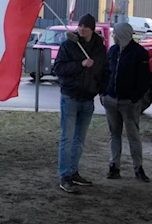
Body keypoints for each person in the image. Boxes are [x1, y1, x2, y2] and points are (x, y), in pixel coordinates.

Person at [53, 13, 110, 193]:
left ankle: (73, 171)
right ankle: (64, 176)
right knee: (67, 138)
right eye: (80, 25)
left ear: (92, 29)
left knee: (80, 139)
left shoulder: (100, 49)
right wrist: (81, 64)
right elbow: (58, 69)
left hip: (88, 99)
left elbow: (105, 71)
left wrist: (102, 90)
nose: (82, 28)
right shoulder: (68, 45)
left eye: (86, 26)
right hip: (70, 97)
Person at [101, 23, 151, 182]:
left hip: (129, 103)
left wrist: (134, 98)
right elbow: (106, 72)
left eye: (115, 33)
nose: (113, 36)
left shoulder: (139, 53)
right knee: (114, 134)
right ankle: (113, 166)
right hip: (111, 100)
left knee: (133, 136)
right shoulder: (113, 50)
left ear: (122, 34)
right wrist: (104, 93)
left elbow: (144, 80)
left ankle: (138, 168)